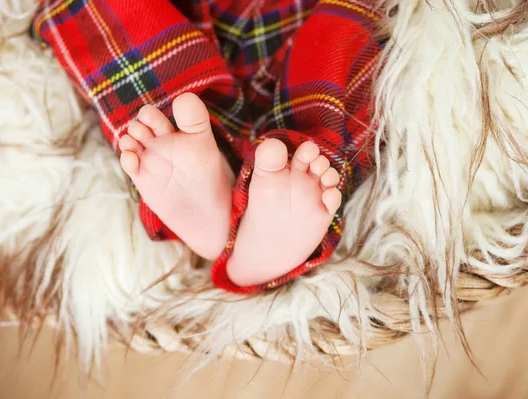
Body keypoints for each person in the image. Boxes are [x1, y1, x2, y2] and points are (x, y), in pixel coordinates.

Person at [33, 0, 381, 293]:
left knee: (353, 27)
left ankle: (260, 229)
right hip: (192, 28)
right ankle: (229, 200)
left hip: (295, 28)